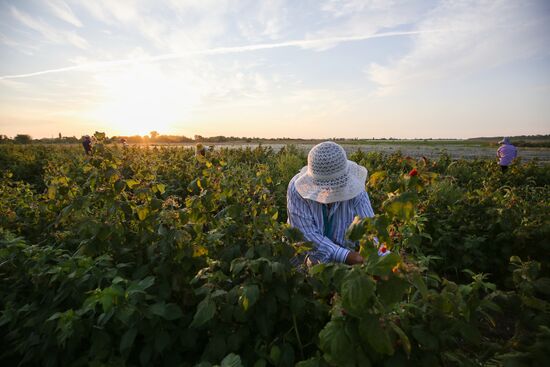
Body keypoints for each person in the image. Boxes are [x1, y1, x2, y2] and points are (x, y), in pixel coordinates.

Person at [286, 141, 375, 266]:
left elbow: (370, 227)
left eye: (335, 185)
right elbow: (305, 234)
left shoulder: (355, 189)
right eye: (325, 186)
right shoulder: (298, 189)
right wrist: (345, 256)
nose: (329, 191)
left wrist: (380, 256)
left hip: (344, 268)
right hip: (305, 259)